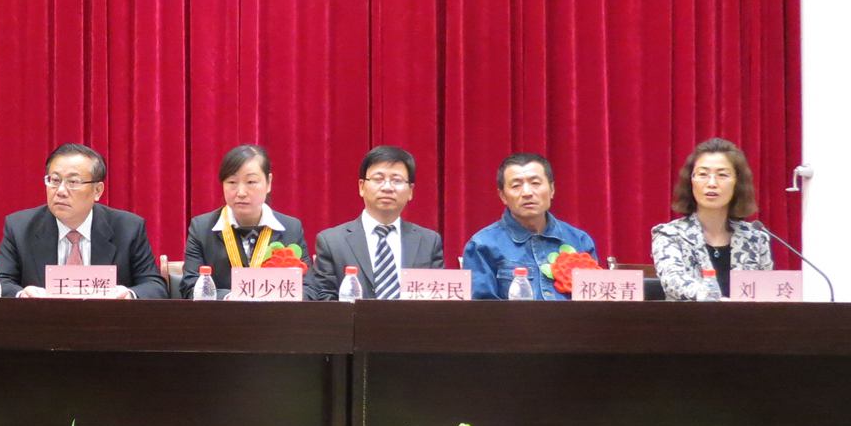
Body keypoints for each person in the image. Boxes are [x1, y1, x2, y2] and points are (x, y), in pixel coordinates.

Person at [0, 143, 168, 299]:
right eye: (54, 180)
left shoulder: (128, 228)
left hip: (106, 322)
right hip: (42, 322)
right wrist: (22, 295)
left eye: (73, 182)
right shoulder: (20, 227)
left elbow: (154, 286)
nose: (60, 191)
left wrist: (127, 295)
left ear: (97, 190)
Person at [308, 146, 445, 300]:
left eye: (397, 180)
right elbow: (324, 299)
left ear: (410, 191)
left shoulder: (429, 242)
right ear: (361, 187)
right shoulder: (332, 242)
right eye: (378, 179)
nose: (387, 187)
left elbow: (437, 300)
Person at [463, 152, 598, 300]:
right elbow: (482, 310)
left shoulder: (579, 240)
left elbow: (595, 303)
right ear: (503, 196)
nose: (527, 193)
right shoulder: (482, 245)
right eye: (516, 186)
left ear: (552, 189)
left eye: (535, 183)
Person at [177, 145, 306, 298]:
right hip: (222, 312)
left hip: (275, 312)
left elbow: (308, 288)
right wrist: (231, 298)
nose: (241, 192)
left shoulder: (291, 228)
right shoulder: (201, 228)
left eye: (251, 182)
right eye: (232, 182)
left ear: (269, 183)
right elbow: (191, 287)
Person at [651, 138, 772, 299]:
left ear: (737, 183)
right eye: (703, 174)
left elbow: (766, 294)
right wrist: (719, 302)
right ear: (691, 181)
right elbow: (674, 282)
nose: (712, 183)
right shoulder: (670, 235)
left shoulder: (755, 239)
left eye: (722, 175)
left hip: (745, 317)